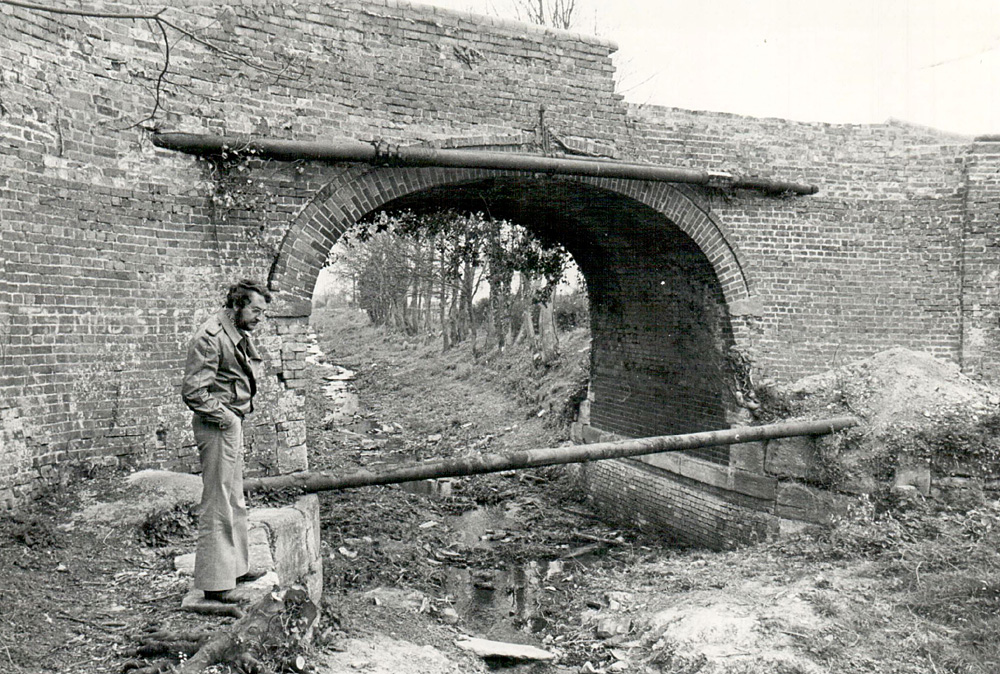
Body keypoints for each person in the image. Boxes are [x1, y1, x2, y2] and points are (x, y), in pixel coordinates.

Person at [181, 279, 271, 602]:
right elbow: (193, 392)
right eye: (256, 311)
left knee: (235, 498)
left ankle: (235, 567)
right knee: (217, 502)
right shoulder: (210, 337)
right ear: (237, 305)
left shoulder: (234, 332)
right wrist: (228, 419)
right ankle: (217, 584)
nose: (260, 318)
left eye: (262, 311)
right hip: (217, 426)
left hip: (230, 424)